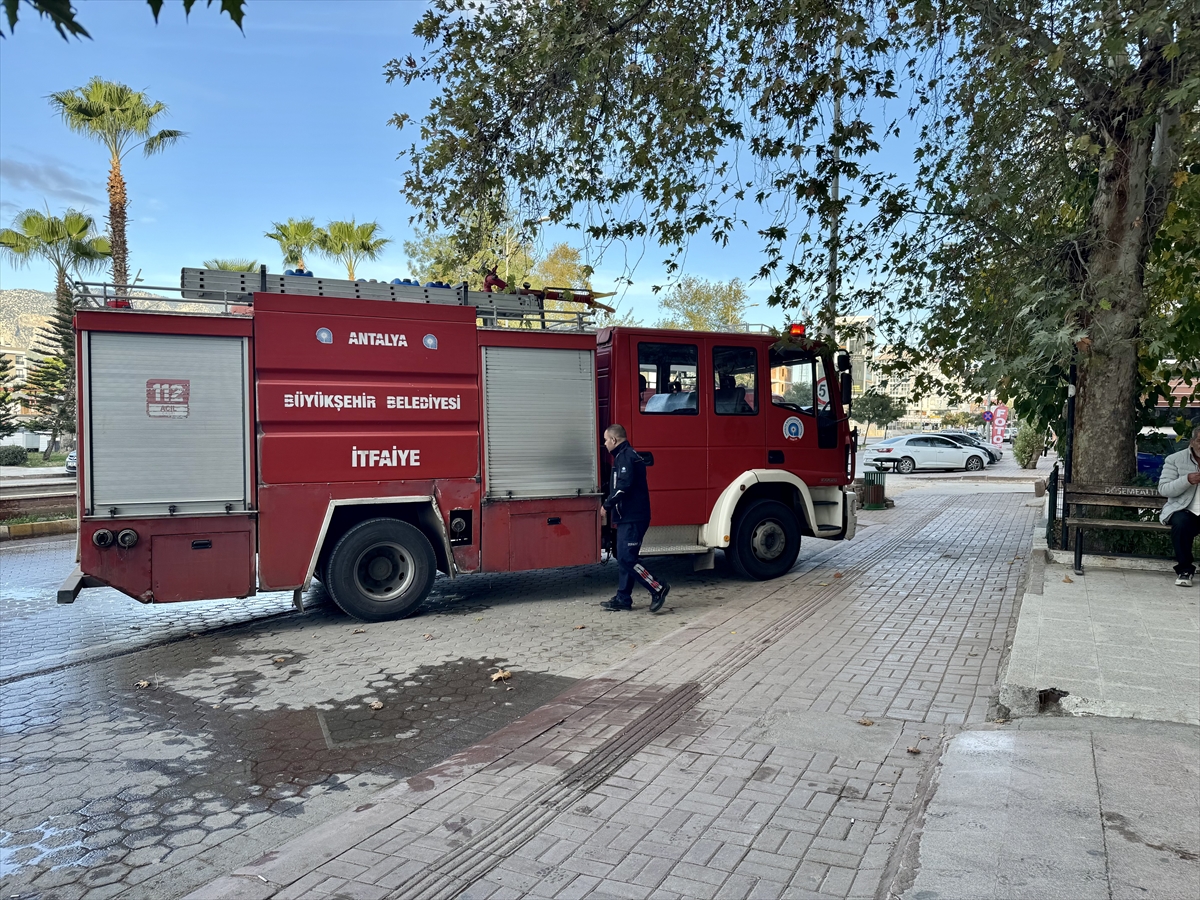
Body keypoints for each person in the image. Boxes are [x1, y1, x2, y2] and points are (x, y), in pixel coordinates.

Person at [601, 423, 669, 612]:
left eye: (606, 440)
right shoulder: (624, 456)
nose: (605, 444)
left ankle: (658, 587)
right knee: (624, 557)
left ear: (614, 440)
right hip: (628, 517)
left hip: (633, 517)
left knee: (627, 558)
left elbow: (624, 486)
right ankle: (623, 598)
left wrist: (606, 505)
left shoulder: (626, 457)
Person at [1158, 429, 1200, 587]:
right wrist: (1186, 480)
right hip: (1184, 509)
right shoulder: (1175, 459)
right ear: (1192, 442)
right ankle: (1185, 570)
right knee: (1181, 524)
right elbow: (1164, 489)